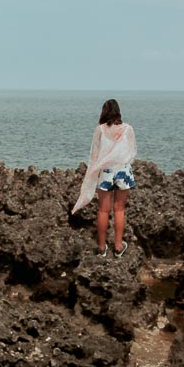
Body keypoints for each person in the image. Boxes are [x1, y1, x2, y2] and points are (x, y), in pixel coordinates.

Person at [72, 97, 136, 257]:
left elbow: (94, 155)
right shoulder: (127, 129)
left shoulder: (100, 129)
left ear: (104, 112)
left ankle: (101, 248)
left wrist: (92, 173)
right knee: (119, 209)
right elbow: (131, 151)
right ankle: (118, 246)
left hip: (106, 172)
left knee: (103, 210)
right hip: (122, 170)